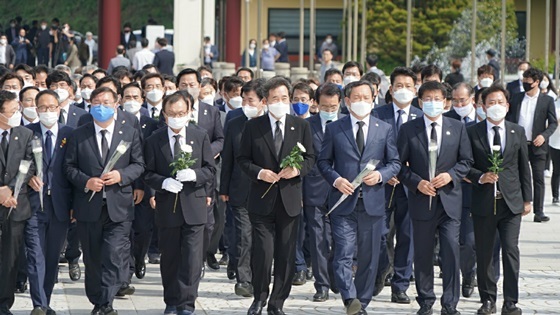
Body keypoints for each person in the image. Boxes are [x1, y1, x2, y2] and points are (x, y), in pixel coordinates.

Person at [318, 80, 400, 314]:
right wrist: (336, 180)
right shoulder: (335, 128)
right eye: (357, 97)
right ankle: (349, 297)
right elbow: (323, 162)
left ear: (373, 99)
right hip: (344, 203)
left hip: (373, 204)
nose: (362, 102)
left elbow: (394, 163)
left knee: (369, 257)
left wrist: (381, 176)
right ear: (347, 101)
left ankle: (361, 303)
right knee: (343, 253)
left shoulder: (383, 128)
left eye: (366, 97)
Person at [63, 87, 145, 315]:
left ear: (116, 104)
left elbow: (139, 164)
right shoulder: (80, 134)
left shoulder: (128, 132)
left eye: (106, 102)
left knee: (112, 254)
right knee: (93, 257)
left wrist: (122, 176)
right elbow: (69, 167)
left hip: (119, 207)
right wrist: (86, 181)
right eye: (96, 102)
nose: (102, 107)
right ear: (89, 105)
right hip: (88, 206)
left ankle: (106, 302)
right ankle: (97, 299)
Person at [238, 77, 315, 315]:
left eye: (284, 98)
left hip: (289, 201)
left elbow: (310, 159)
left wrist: (297, 169)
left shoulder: (301, 126)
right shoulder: (253, 126)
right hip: (261, 200)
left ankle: (277, 302)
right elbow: (243, 159)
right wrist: (260, 173)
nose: (280, 103)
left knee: (285, 254)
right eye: (274, 99)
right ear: (265, 101)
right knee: (263, 252)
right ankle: (259, 298)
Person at [397, 81, 473, 315]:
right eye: (427, 99)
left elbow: (466, 162)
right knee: (423, 254)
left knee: (451, 251)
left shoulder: (457, 128)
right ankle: (426, 301)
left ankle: (450, 304)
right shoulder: (409, 129)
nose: (432, 103)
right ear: (420, 102)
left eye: (437, 99)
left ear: (446, 102)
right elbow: (398, 166)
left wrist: (450, 176)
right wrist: (416, 182)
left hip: (450, 202)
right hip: (422, 202)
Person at [143, 91, 215, 315]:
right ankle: (172, 301)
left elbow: (210, 169)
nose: (177, 117)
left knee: (193, 260)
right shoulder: (154, 140)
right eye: (172, 113)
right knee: (171, 258)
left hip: (194, 205)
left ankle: (187, 303)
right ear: (164, 114)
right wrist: (162, 182)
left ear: (189, 112)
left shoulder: (199, 135)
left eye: (181, 113)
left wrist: (194, 175)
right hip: (167, 207)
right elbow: (146, 173)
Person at [466, 85, 532, 315]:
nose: (495, 106)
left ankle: (511, 301)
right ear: (483, 106)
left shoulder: (517, 131)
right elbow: (466, 165)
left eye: (500, 102)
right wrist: (480, 176)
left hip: (511, 202)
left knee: (511, 251)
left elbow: (524, 166)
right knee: (484, 252)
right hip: (484, 202)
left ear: (507, 105)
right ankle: (488, 300)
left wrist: (528, 199)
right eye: (490, 103)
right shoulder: (472, 132)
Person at [372, 67, 422, 304]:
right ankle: (383, 268)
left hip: (409, 187)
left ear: (415, 90)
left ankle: (400, 285)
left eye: (408, 86)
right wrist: (385, 171)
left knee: (407, 236)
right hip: (381, 185)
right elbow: (368, 148)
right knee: (379, 234)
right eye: (398, 86)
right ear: (390, 89)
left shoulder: (422, 117)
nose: (403, 90)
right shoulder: (376, 114)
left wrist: (405, 174)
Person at [24, 90, 74, 315]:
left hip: (61, 206)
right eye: (42, 108)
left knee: (52, 257)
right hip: (33, 204)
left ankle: (46, 300)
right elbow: (17, 165)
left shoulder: (70, 134)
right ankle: (39, 304)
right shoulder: (27, 133)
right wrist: (28, 177)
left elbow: (75, 170)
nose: (47, 112)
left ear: (59, 107)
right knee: (35, 254)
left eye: (51, 107)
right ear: (36, 109)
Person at [219, 80, 265, 297]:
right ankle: (243, 279)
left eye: (251, 100)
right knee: (243, 235)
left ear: (262, 102)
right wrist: (224, 188)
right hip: (239, 189)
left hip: (266, 191)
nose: (246, 103)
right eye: (244, 99)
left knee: (261, 236)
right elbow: (227, 157)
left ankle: (260, 276)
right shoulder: (235, 122)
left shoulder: (270, 123)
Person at [301, 82, 344, 302]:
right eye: (325, 106)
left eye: (333, 106)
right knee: (318, 239)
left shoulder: (346, 124)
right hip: (314, 190)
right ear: (316, 103)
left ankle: (336, 276)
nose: (329, 110)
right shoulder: (307, 126)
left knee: (339, 238)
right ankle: (322, 285)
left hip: (342, 190)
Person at [505, 68, 557, 223]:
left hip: (537, 145)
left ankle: (539, 211)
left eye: (528, 82)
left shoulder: (546, 100)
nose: (525, 84)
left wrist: (543, 136)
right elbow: (508, 118)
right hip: (518, 144)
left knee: (538, 178)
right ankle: (517, 206)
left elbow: (553, 123)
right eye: (524, 81)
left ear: (537, 82)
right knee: (517, 176)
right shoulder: (516, 97)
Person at [0, 89, 34, 315]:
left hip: (15, 204)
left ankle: (3, 303)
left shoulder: (25, 134)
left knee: (10, 258)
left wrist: (10, 187)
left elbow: (29, 164)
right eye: (12, 111)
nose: (16, 114)